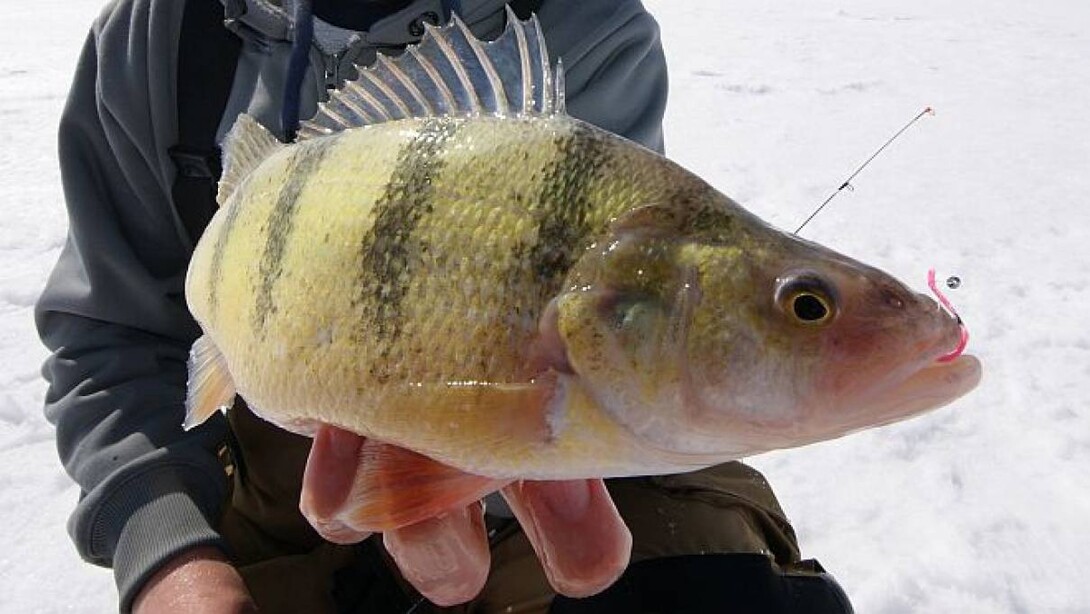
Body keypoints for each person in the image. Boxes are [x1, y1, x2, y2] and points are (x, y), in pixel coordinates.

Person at [37, 0, 855, 612]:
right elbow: (111, 333)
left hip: (568, 446)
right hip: (257, 461)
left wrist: (459, 477)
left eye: (806, 307)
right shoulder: (160, 35)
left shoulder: (588, 23)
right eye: (807, 308)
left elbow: (602, 327)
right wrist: (168, 559)